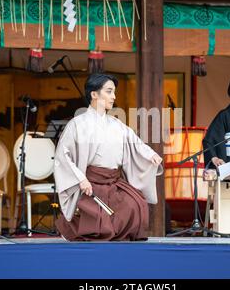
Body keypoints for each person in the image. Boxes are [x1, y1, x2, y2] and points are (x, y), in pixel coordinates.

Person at [53, 73, 163, 241]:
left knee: (136, 204)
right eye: (109, 91)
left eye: (114, 92)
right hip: (90, 183)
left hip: (113, 182)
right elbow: (63, 156)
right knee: (96, 220)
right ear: (94, 94)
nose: (114, 97)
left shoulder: (116, 124)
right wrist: (80, 179)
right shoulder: (77, 124)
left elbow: (135, 144)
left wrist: (150, 155)